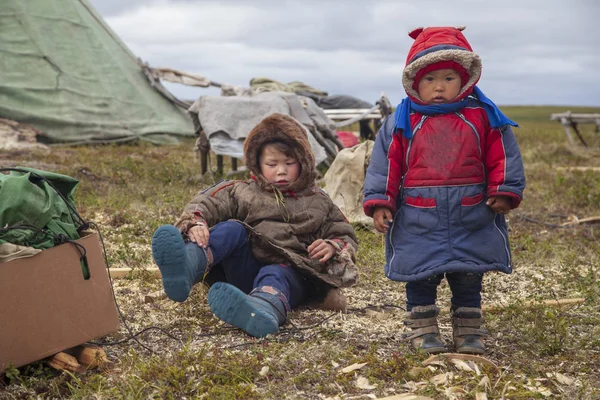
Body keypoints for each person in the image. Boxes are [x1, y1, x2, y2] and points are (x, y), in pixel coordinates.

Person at [363, 26, 526, 354]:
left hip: (472, 211)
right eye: (430, 79)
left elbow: (503, 155)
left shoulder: (482, 115)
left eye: (449, 78)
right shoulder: (402, 119)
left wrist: (505, 190)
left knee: (469, 272)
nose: (439, 87)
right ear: (414, 82)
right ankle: (423, 329)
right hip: (418, 213)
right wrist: (381, 201)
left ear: (465, 78)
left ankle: (469, 330)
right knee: (421, 273)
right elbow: (386, 163)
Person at [151, 113, 358, 338]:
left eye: (289, 163)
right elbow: (206, 202)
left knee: (275, 270)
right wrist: (195, 223)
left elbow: (344, 233)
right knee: (233, 229)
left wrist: (333, 246)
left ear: (304, 162)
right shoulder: (242, 190)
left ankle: (262, 310)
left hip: (290, 277)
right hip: (244, 270)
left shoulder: (319, 200)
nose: (281, 171)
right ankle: (188, 266)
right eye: (272, 164)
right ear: (257, 163)